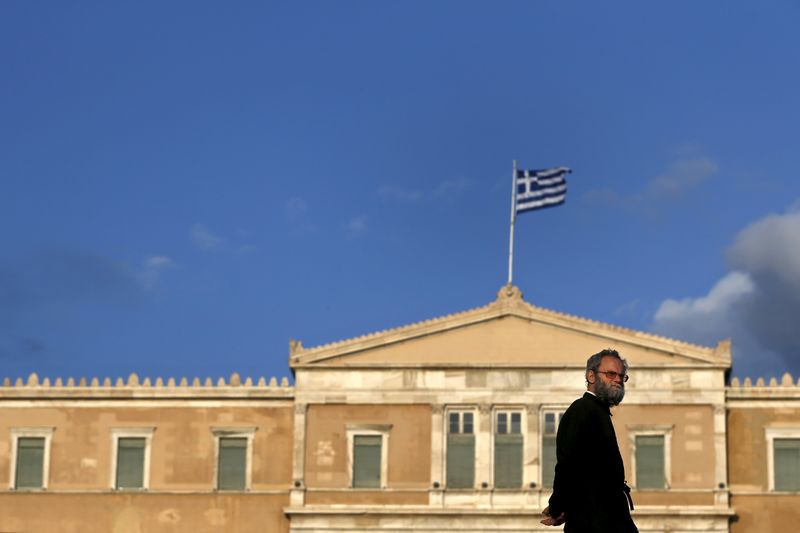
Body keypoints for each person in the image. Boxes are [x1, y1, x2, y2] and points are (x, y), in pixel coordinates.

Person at [540, 348, 638, 532]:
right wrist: (557, 506)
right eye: (610, 374)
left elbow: (590, 473)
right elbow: (567, 464)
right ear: (591, 376)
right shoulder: (582, 409)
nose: (617, 379)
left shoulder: (598, 412)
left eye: (621, 376)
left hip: (607, 518)